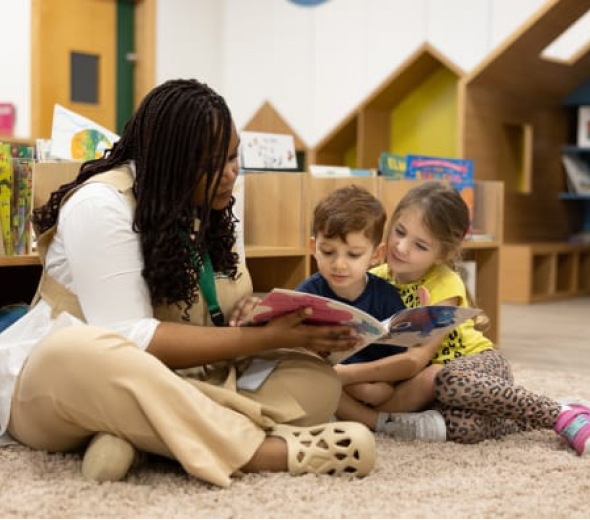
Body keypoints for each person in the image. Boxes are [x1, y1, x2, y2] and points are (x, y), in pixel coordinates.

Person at [0, 79, 377, 488]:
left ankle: (137, 437)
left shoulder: (219, 199)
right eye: (213, 163)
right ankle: (263, 452)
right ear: (169, 162)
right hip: (72, 386)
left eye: (234, 157)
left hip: (188, 380)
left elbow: (223, 302)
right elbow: (131, 339)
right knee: (77, 349)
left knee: (315, 381)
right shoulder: (101, 205)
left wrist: (255, 315)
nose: (230, 172)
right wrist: (261, 341)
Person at [371, 180, 590, 454]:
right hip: (427, 387)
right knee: (457, 426)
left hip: (478, 367)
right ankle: (543, 411)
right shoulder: (374, 279)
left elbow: (420, 362)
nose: (401, 247)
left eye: (420, 245)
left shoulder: (444, 283)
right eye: (399, 232)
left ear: (444, 253)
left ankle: (559, 413)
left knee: (447, 381)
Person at [295, 185, 446, 442]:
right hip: (327, 379)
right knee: (308, 378)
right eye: (328, 251)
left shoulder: (386, 296)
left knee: (382, 391)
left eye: (353, 255)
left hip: (371, 381)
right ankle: (378, 423)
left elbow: (401, 362)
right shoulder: (307, 294)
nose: (339, 264)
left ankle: (345, 415)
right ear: (313, 246)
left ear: (376, 255)